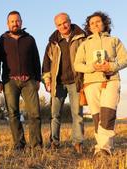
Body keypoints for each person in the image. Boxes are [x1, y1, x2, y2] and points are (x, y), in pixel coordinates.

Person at [74, 11, 127, 157]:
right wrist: (92, 67)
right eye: (92, 23)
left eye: (98, 21)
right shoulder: (85, 44)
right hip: (91, 82)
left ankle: (103, 148)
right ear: (89, 27)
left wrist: (111, 66)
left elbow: (125, 59)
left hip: (111, 80)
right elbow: (77, 65)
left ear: (104, 23)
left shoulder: (114, 40)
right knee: (97, 117)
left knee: (108, 114)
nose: (95, 25)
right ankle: (102, 148)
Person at [0, 11, 42, 151]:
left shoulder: (30, 39)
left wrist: (38, 79)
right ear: (8, 24)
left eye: (17, 21)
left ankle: (36, 144)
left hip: (29, 81)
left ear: (21, 22)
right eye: (12, 21)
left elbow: (36, 60)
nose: (15, 23)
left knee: (35, 113)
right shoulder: (1, 40)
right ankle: (19, 144)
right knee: (13, 114)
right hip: (10, 82)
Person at [42, 13, 85, 153]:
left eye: (65, 23)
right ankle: (54, 142)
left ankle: (77, 142)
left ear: (70, 21)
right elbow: (46, 63)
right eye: (59, 24)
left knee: (77, 114)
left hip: (75, 82)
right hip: (57, 83)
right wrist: (47, 80)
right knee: (55, 115)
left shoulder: (81, 38)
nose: (63, 26)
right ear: (56, 26)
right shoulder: (52, 42)